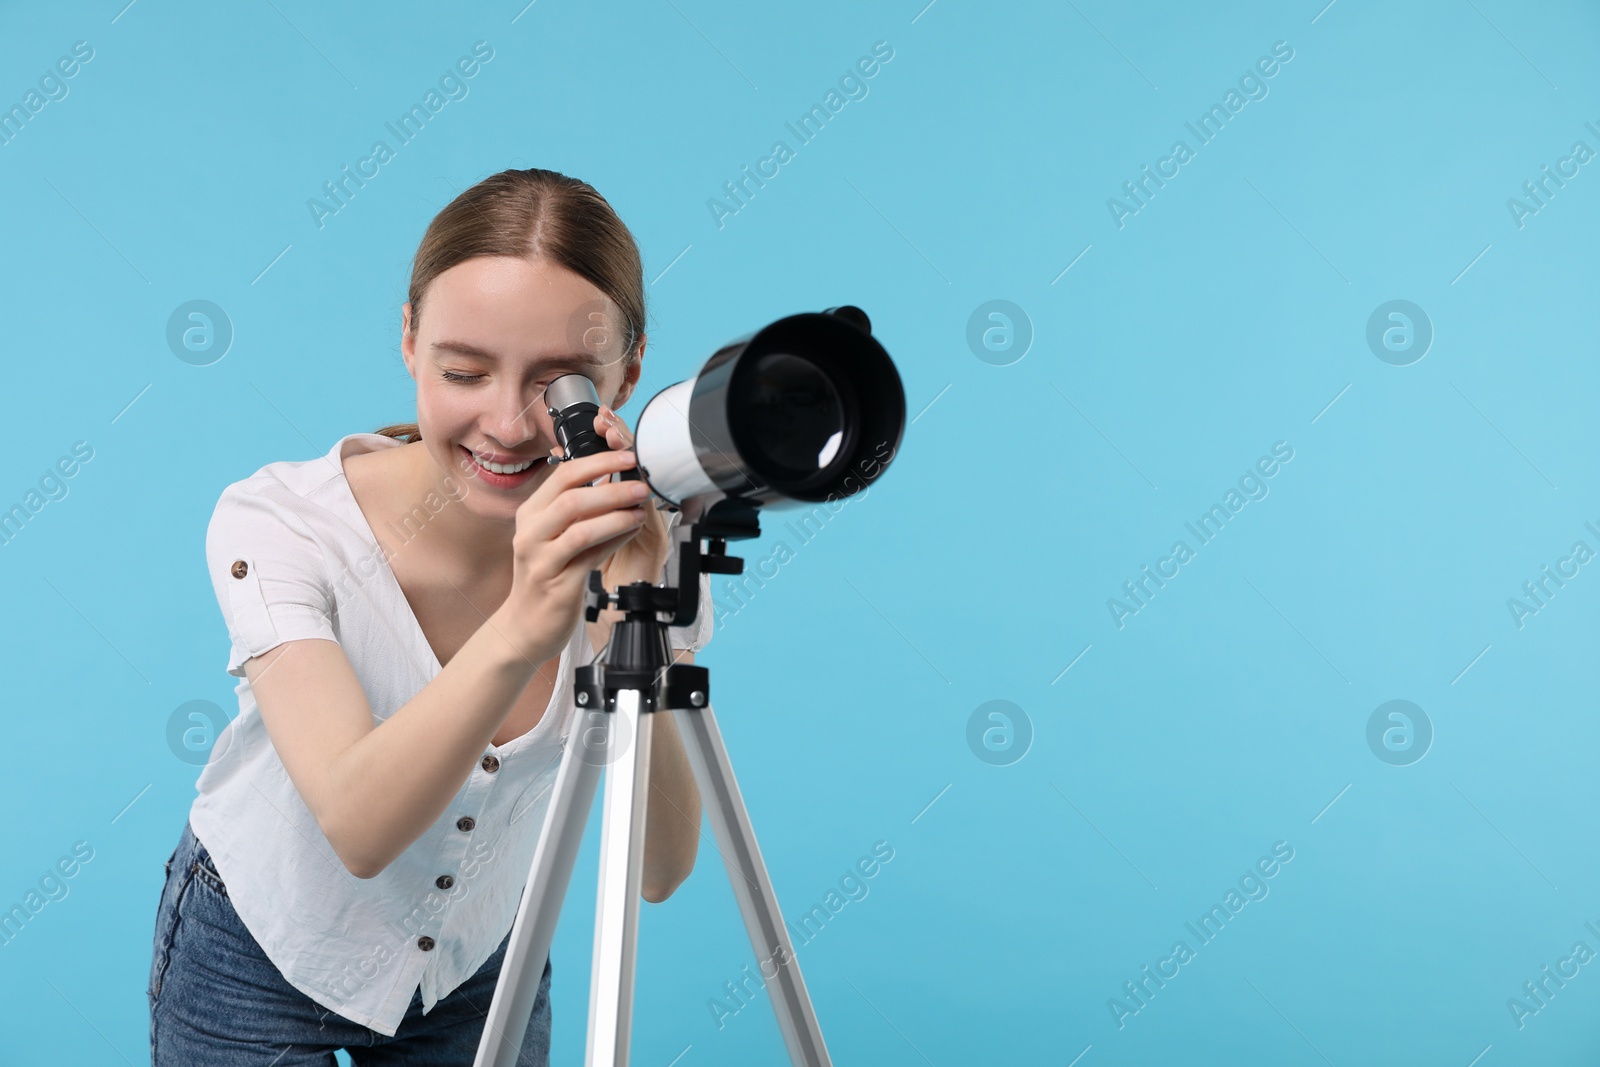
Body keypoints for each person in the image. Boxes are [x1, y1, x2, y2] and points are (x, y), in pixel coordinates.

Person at [148, 168, 713, 1065]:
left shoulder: (637, 535)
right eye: (463, 370)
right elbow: (359, 827)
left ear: (629, 372)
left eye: (557, 386)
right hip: (261, 946)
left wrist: (622, 621)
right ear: (409, 341)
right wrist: (530, 620)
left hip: (472, 960)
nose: (507, 422)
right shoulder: (281, 523)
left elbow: (662, 867)